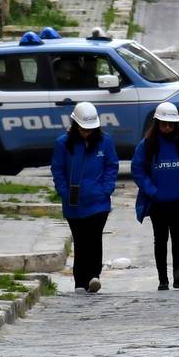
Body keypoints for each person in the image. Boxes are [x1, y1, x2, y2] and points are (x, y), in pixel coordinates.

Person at [131, 102, 179, 291]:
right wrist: (151, 191)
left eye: (170, 124)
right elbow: (138, 169)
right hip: (157, 201)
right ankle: (162, 279)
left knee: (178, 235)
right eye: (163, 124)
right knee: (160, 238)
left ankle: (178, 272)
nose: (167, 128)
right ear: (157, 124)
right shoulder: (147, 145)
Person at [51, 102, 119, 293]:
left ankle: (93, 276)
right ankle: (80, 281)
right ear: (75, 125)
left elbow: (112, 165)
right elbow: (57, 169)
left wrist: (106, 189)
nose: (87, 133)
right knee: (81, 241)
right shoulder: (63, 144)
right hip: (74, 203)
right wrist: (64, 191)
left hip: (99, 202)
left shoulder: (105, 142)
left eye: (90, 129)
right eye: (83, 129)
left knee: (94, 238)